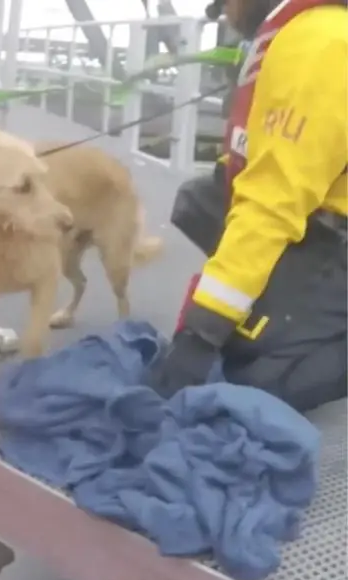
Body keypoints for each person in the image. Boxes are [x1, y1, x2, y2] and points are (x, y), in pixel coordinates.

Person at [148, 0, 347, 412]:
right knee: (202, 198)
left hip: (332, 228)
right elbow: (256, 160)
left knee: (261, 383)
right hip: (320, 207)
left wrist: (202, 333)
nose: (224, 13)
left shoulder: (321, 43)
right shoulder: (297, 32)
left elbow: (273, 200)